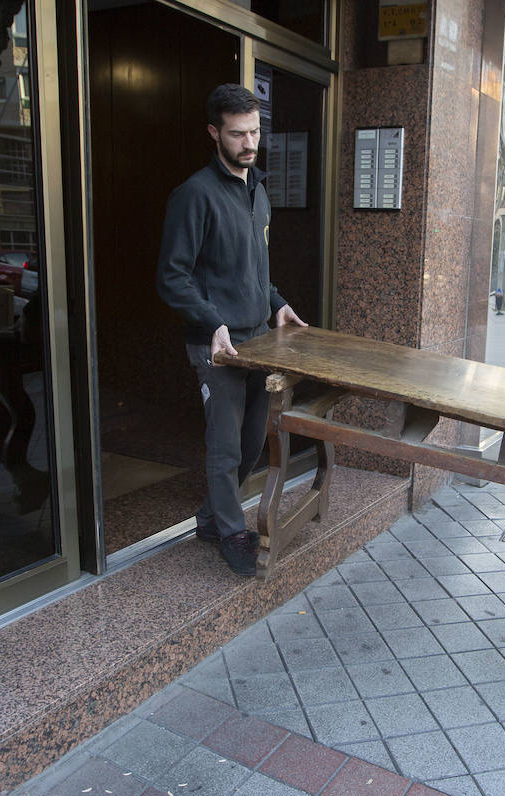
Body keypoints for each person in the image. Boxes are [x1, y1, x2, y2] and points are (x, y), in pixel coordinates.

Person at [157, 83, 307, 577]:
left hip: (259, 339)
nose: (249, 143)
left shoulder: (257, 191)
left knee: (248, 446)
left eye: (255, 131)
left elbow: (256, 268)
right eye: (237, 133)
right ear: (214, 133)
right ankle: (231, 533)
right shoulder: (194, 195)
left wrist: (278, 303)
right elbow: (171, 278)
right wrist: (212, 321)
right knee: (224, 448)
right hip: (216, 345)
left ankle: (208, 519)